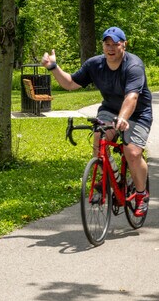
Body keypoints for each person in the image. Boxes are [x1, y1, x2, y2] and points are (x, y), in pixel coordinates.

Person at [41, 26, 152, 216]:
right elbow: (69, 83)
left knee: (132, 152)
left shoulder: (133, 65)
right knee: (99, 138)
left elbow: (132, 98)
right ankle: (108, 177)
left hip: (136, 113)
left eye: (115, 44)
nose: (111, 48)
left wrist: (123, 119)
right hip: (109, 110)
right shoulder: (95, 64)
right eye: (107, 44)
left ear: (124, 44)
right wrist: (53, 67)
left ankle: (141, 194)